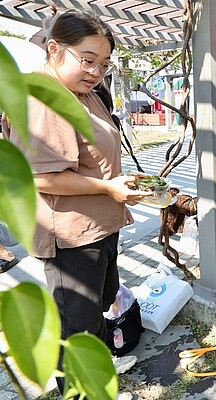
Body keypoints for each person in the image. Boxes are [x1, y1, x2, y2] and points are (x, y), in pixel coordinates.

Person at [1, 8, 147, 393]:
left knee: (96, 311)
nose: (97, 71)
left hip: (98, 226)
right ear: (54, 48)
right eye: (87, 60)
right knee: (75, 329)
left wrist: (115, 184)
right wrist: (108, 188)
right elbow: (39, 175)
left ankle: (99, 378)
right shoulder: (43, 99)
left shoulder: (84, 92)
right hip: (70, 237)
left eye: (103, 63)